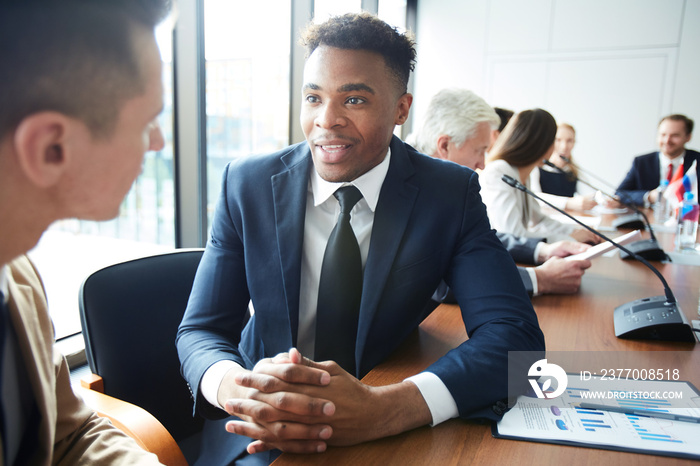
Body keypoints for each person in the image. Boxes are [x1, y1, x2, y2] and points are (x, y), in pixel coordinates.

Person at [176, 13, 545, 465]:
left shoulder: (448, 194)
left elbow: (516, 339)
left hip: (385, 413)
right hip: (258, 426)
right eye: (313, 97)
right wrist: (240, 389)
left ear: (401, 110)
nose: (326, 121)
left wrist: (389, 407)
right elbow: (201, 330)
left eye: (353, 99)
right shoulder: (247, 183)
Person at [0, 1, 170, 464]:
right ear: (52, 148)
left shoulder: (16, 272)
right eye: (146, 122)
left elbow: (68, 434)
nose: (158, 142)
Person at [413, 89, 591, 296]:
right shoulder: (409, 190)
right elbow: (436, 280)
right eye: (479, 150)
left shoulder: (443, 184)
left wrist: (542, 250)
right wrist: (538, 278)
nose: (482, 164)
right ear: (444, 146)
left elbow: (476, 237)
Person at [479, 108, 602, 244]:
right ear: (542, 144)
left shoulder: (523, 173)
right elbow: (513, 234)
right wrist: (568, 239)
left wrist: (573, 231)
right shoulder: (499, 171)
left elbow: (539, 219)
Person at [615, 114, 699, 206]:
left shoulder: (697, 161)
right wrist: (649, 196)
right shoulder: (641, 162)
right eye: (663, 134)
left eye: (675, 135)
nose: (667, 140)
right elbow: (619, 194)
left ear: (688, 137)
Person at [529, 123, 597, 211]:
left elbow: (590, 194)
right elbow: (534, 197)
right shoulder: (536, 168)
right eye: (558, 140)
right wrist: (567, 203)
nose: (564, 146)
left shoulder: (573, 170)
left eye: (569, 141)